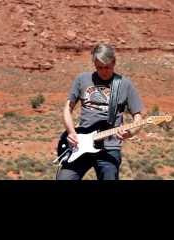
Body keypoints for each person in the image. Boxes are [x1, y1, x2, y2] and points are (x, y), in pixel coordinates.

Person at [55, 43, 144, 180]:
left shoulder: (125, 84)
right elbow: (68, 108)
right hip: (80, 143)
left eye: (107, 67)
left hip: (109, 147)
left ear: (114, 62)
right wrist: (71, 132)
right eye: (99, 67)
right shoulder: (82, 80)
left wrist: (130, 133)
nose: (103, 71)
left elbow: (138, 118)